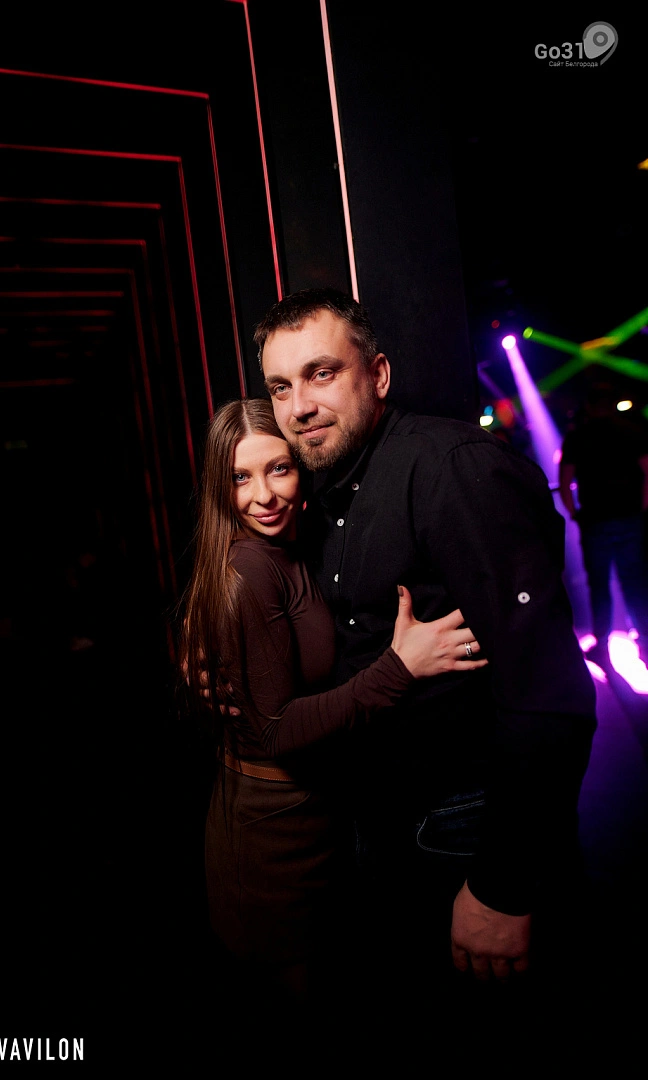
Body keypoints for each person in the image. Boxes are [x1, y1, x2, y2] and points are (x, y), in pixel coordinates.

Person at [250, 288, 597, 1029]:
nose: (299, 405)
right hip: (383, 823)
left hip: (467, 825)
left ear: (377, 376)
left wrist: (504, 887)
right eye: (280, 386)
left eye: (320, 374)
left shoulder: (451, 469)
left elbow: (548, 694)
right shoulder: (322, 489)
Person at [178, 397, 487, 1016]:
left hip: (316, 811)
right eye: (240, 477)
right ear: (219, 487)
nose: (264, 496)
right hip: (272, 834)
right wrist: (400, 667)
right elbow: (276, 731)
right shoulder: (250, 568)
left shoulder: (295, 547)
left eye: (279, 469)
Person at [559, 382, 648, 669]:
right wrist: (642, 507)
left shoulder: (577, 437)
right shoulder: (631, 431)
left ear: (588, 406)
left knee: (599, 586)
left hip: (595, 521)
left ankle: (602, 646)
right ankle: (645, 642)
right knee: (634, 582)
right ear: (612, 404)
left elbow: (564, 481)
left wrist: (575, 514)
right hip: (629, 517)